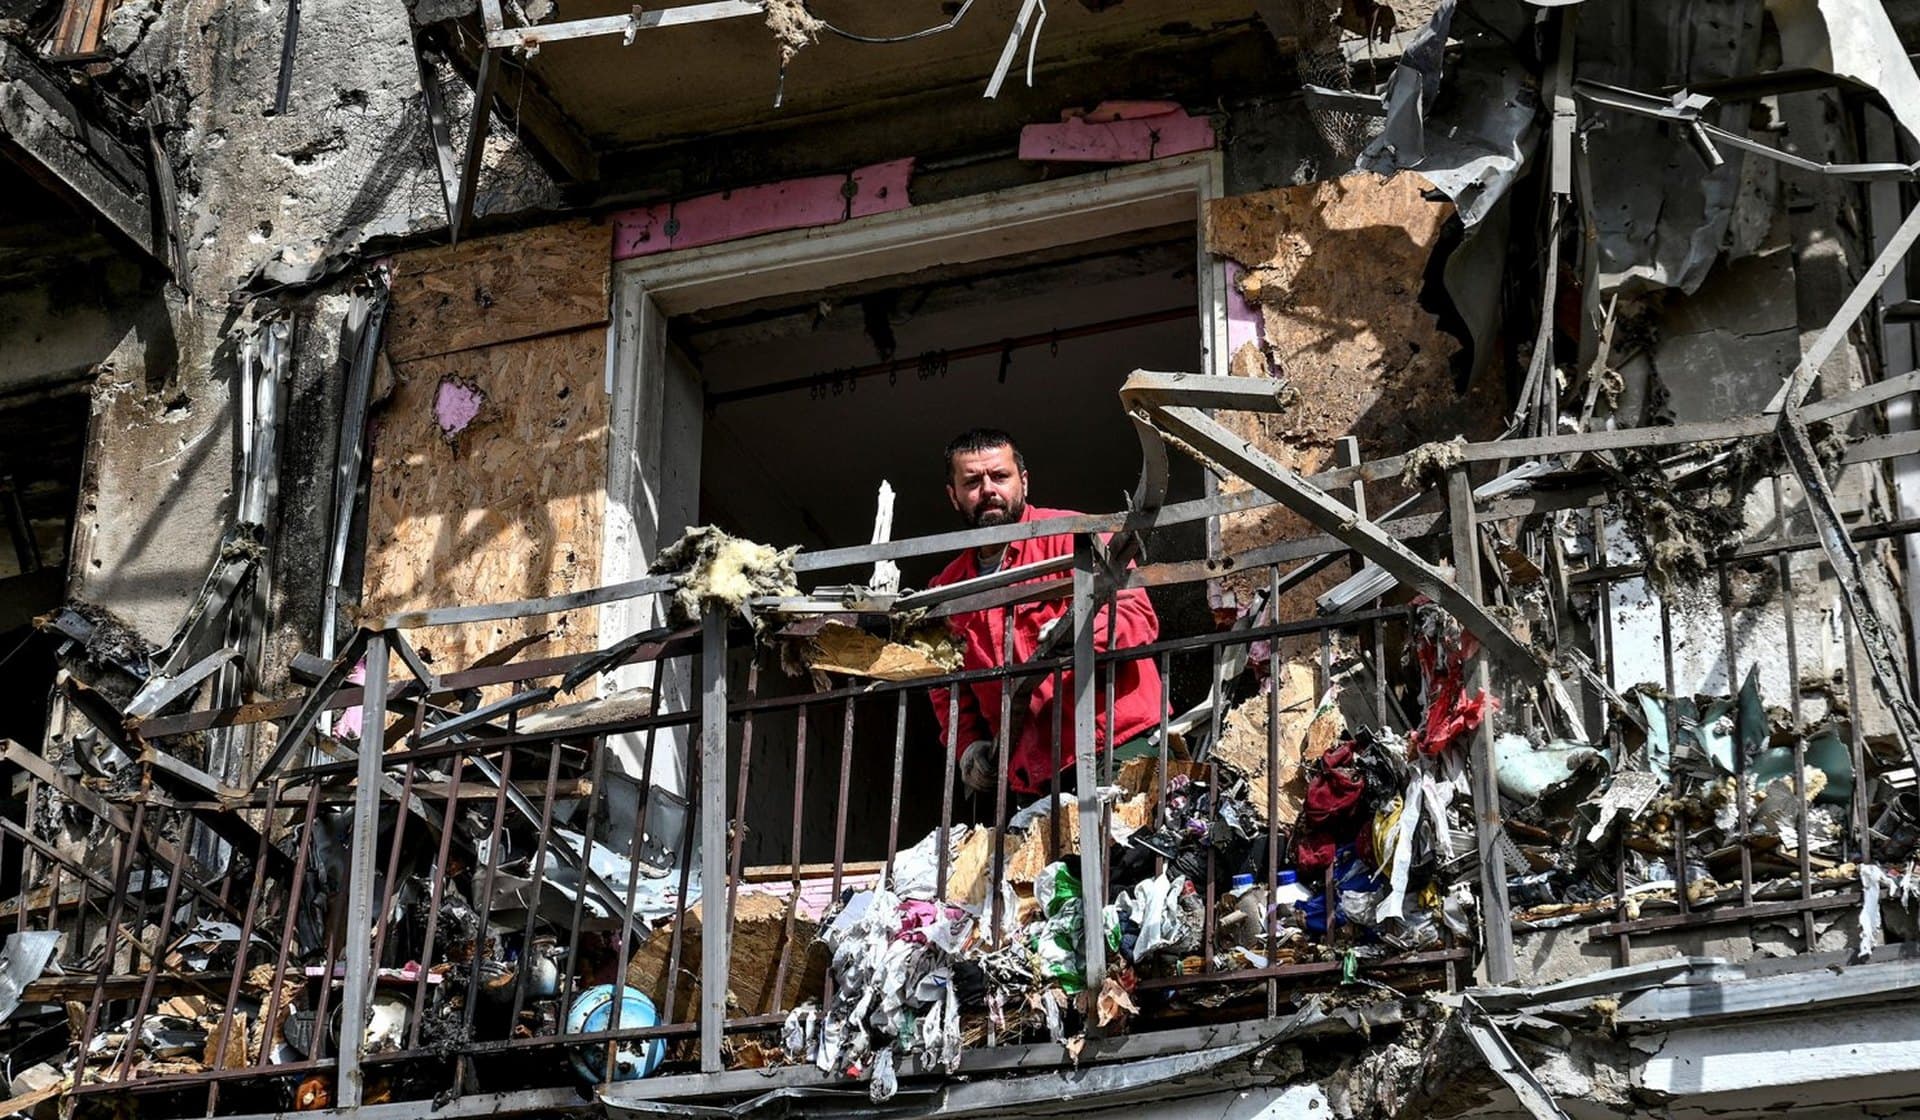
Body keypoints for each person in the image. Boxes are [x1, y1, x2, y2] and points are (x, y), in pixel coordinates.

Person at [926, 428, 1164, 798]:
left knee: (1127, 854)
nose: (988, 489)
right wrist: (967, 745)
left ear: (1024, 481)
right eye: (972, 481)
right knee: (1051, 859)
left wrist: (1077, 635)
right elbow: (946, 683)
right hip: (1030, 774)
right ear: (953, 496)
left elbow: (1138, 618)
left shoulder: (1075, 535)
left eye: (1000, 476)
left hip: (1118, 743)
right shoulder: (946, 587)